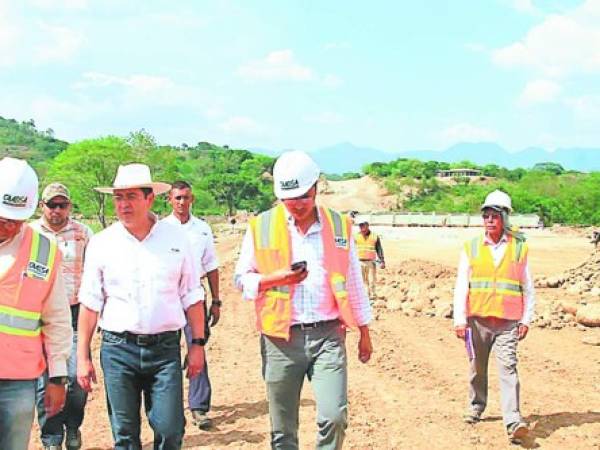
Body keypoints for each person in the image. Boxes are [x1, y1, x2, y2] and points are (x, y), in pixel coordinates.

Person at [234, 150, 373, 450]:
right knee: (283, 429)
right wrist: (278, 279)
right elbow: (240, 280)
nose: (296, 205)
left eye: (303, 197)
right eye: (289, 198)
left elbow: (353, 281)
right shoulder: (261, 226)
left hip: (328, 335)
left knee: (334, 416)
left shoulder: (340, 226)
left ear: (316, 188)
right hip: (280, 340)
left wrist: (364, 331)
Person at [76, 163, 207, 450]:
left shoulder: (176, 240)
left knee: (170, 430)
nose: (123, 205)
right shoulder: (101, 243)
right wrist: (82, 356)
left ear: (150, 199)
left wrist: (197, 344)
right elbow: (89, 303)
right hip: (117, 349)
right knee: (125, 434)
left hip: (164, 351)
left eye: (131, 197)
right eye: (119, 197)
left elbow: (192, 296)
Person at [453, 190, 535, 445]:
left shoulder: (519, 247)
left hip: (508, 322)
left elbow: (527, 286)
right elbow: (461, 285)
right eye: (486, 215)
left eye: (494, 216)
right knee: (478, 367)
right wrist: (459, 318)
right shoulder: (472, 247)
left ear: (505, 218)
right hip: (478, 320)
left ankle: (513, 422)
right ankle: (476, 406)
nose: (489, 220)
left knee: (508, 367)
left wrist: (526, 319)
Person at [0, 157, 71, 450]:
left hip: (18, 379)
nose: (6, 227)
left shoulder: (44, 251)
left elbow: (56, 318)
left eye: (13, 221)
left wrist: (57, 377)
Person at [31, 183, 93, 450]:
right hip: (36, 316)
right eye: (51, 205)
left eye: (62, 205)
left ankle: (73, 426)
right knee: (45, 384)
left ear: (69, 206)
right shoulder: (28, 232)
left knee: (76, 381)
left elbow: (94, 274)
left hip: (74, 313)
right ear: (41, 206)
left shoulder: (83, 233)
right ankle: (52, 439)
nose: (57, 210)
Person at [162, 180, 221, 430]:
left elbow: (211, 266)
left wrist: (216, 300)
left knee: (197, 348)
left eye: (185, 197)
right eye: (177, 198)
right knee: (167, 352)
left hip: (195, 296)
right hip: (167, 297)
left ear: (192, 199)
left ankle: (198, 406)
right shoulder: (160, 229)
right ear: (169, 200)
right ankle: (171, 407)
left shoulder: (203, 229)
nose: (182, 202)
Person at [354, 221, 385, 300]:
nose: (361, 227)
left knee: (372, 280)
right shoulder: (355, 236)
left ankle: (373, 295)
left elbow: (379, 249)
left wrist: (382, 260)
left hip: (371, 262)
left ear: (367, 225)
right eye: (360, 225)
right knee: (363, 280)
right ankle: (365, 296)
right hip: (359, 262)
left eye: (363, 225)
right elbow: (351, 250)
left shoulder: (374, 236)